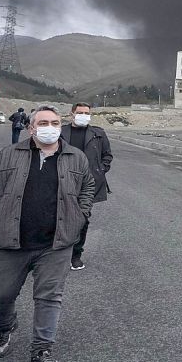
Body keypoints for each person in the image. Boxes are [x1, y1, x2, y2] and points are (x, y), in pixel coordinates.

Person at [0, 104, 95, 362]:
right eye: (43, 123)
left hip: (56, 244)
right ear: (31, 128)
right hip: (10, 242)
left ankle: (41, 351)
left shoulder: (75, 158)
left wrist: (81, 213)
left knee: (49, 298)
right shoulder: (8, 154)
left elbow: (88, 186)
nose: (50, 128)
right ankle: (4, 327)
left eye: (54, 123)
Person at [61, 102, 113, 270]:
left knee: (82, 219)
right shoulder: (61, 132)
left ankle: (76, 255)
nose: (83, 115)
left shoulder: (98, 133)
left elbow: (107, 155)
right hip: (62, 181)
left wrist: (100, 170)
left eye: (86, 112)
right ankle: (55, 253)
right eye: (80, 112)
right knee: (58, 217)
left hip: (87, 184)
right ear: (72, 114)